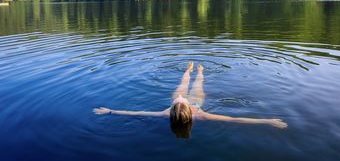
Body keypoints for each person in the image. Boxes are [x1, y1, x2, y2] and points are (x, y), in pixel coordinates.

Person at [93, 62, 287, 137]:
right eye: (179, 100)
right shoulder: (200, 114)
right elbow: (234, 120)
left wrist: (111, 111)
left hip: (189, 105)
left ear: (173, 107)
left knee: (182, 83)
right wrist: (267, 121)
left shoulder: (165, 113)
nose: (179, 98)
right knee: (198, 84)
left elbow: (136, 112)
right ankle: (198, 71)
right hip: (197, 101)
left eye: (176, 100)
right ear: (185, 107)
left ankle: (189, 70)